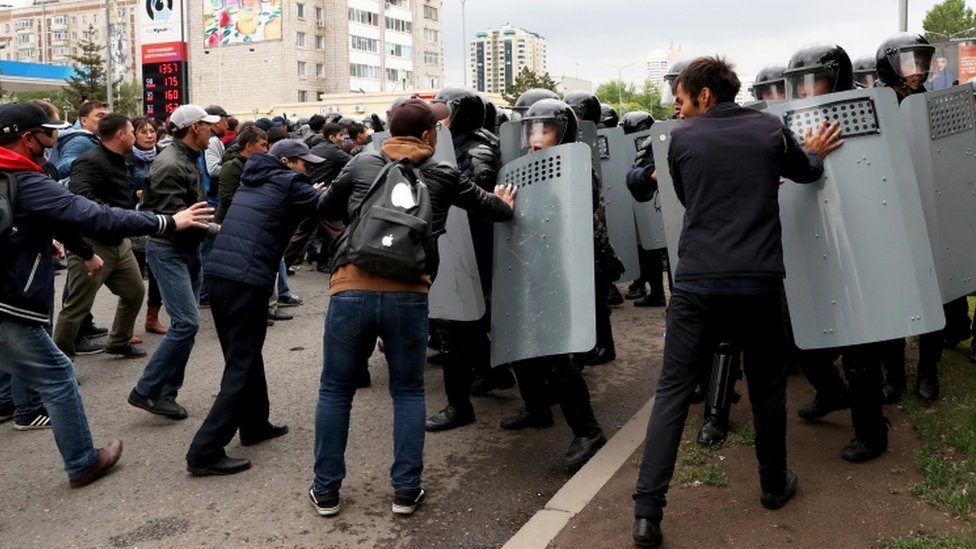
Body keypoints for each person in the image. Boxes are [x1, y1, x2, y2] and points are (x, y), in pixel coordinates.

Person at [631, 57, 843, 548]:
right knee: (768, 389)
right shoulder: (769, 130)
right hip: (758, 283)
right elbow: (807, 172)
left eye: (681, 99)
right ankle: (773, 486)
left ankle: (647, 513)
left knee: (672, 393)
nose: (678, 110)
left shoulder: (681, 141)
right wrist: (813, 152)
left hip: (697, 283)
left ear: (705, 95)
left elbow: (690, 198)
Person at [309, 98, 517, 517]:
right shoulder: (443, 173)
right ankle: (405, 491)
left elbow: (323, 208)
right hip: (409, 295)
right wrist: (506, 202)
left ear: (388, 130)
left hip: (351, 289)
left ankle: (326, 492)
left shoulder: (361, 164)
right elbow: (492, 209)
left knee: (335, 390)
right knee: (407, 392)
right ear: (428, 135)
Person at [0, 101, 212, 487]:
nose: (56, 139)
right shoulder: (26, 179)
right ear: (28, 139)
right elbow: (90, 213)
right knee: (59, 374)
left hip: (24, 285)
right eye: (50, 133)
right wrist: (166, 221)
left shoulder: (15, 177)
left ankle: (19, 407)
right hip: (10, 298)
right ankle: (82, 461)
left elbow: (58, 216)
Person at [185, 139, 325, 476]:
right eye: (305, 163)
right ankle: (204, 451)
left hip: (224, 275)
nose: (309, 170)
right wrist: (323, 191)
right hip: (245, 278)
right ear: (288, 161)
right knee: (241, 363)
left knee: (245, 354)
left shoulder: (255, 178)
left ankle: (254, 424)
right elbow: (331, 205)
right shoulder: (289, 182)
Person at [500, 99, 613, 470]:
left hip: (563, 269)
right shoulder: (519, 169)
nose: (535, 139)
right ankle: (537, 409)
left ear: (562, 132)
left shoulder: (577, 170)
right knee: (522, 344)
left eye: (544, 130)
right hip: (530, 264)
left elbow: (571, 222)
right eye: (531, 130)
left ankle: (588, 431)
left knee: (558, 354)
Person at [875, 32, 970, 403]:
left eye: (922, 62)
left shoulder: (934, 104)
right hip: (889, 214)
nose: (919, 71)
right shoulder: (874, 105)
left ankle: (928, 370)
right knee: (893, 298)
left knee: (934, 295)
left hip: (930, 208)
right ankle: (894, 375)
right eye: (910, 63)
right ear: (890, 65)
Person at [424, 87, 515, 432]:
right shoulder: (456, 143)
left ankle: (459, 404)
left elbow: (477, 190)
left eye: (444, 112)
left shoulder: (477, 147)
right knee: (465, 318)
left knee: (456, 321)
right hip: (459, 241)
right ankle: (493, 372)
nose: (438, 119)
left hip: (473, 243)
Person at [129, 104, 221, 421]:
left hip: (186, 250)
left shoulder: (188, 157)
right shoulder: (171, 163)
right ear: (194, 127)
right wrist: (222, 233)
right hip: (170, 250)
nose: (214, 129)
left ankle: (165, 393)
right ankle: (146, 390)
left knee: (187, 325)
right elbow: (177, 221)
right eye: (208, 125)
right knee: (187, 323)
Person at [54, 113, 148, 359]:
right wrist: (109, 214)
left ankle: (119, 341)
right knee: (77, 306)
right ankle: (61, 361)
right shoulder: (90, 161)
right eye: (131, 131)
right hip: (92, 243)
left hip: (119, 241)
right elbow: (78, 196)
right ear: (120, 134)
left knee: (135, 292)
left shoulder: (122, 159)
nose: (134, 135)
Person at [127, 117, 167, 335]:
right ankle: (127, 326)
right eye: (143, 131)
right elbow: (118, 189)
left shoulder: (163, 155)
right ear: (134, 134)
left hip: (160, 220)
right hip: (133, 222)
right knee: (132, 281)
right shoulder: (127, 158)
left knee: (157, 274)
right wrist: (135, 193)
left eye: (152, 131)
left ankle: (152, 318)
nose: (150, 135)